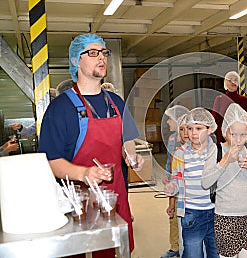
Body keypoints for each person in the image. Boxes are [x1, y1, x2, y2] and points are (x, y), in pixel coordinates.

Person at [38, 33, 144, 256]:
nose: (102, 58)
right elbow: (50, 161)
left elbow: (127, 140)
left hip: (114, 197)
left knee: (113, 251)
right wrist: (84, 172)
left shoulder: (116, 102)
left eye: (104, 53)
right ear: (76, 61)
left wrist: (131, 155)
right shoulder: (61, 108)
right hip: (77, 201)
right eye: (93, 53)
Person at [202, 103, 247, 258]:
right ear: (225, 131)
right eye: (233, 134)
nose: (238, 139)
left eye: (243, 135)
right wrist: (225, 161)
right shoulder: (216, 150)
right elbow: (205, 183)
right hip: (225, 217)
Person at [164, 107, 219, 258]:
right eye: (190, 128)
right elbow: (176, 179)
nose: (193, 133)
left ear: (210, 129)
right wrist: (172, 188)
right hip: (191, 215)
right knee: (192, 254)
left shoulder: (217, 152)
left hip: (215, 212)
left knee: (215, 253)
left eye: (199, 128)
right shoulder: (180, 154)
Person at [162, 105, 189, 258]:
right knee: (172, 214)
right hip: (175, 183)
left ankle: (187, 246)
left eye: (170, 119)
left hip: (188, 186)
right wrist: (167, 173)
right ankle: (175, 247)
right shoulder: (172, 139)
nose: (167, 122)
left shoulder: (191, 140)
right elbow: (170, 160)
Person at [211, 71, 247, 144]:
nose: (233, 82)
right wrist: (221, 138)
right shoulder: (220, 99)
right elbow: (215, 120)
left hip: (239, 138)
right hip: (223, 139)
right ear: (225, 83)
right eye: (230, 80)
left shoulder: (243, 100)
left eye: (235, 80)